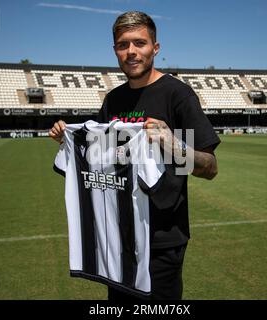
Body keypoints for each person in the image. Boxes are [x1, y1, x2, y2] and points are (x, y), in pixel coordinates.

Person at [49, 11, 220, 300]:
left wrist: (173, 144)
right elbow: (100, 155)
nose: (131, 52)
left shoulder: (177, 95)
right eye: (122, 45)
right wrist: (65, 138)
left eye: (139, 43)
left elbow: (210, 166)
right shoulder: (113, 99)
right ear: (115, 50)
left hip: (162, 240)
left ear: (155, 48)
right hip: (118, 235)